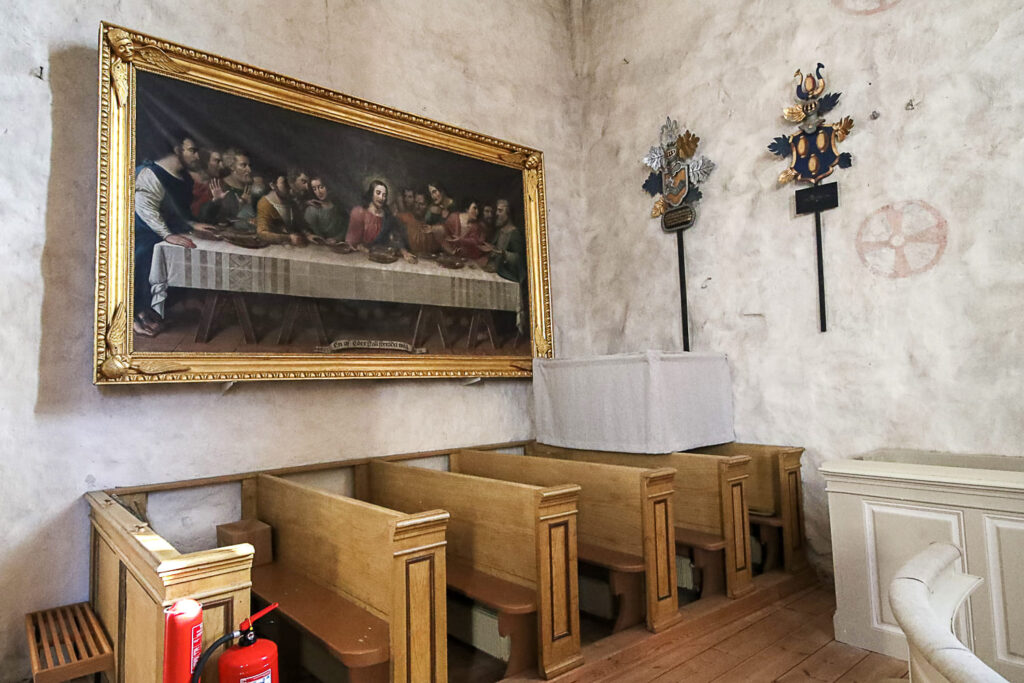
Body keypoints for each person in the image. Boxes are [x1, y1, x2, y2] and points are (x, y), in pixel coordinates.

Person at [133, 130, 216, 336]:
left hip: (162, 230)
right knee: (145, 255)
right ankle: (136, 314)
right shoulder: (151, 172)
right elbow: (144, 207)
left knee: (188, 250)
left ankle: (155, 309)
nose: (197, 156)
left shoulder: (184, 178)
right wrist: (167, 234)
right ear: (178, 150)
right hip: (141, 230)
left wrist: (192, 225)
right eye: (192, 151)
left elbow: (174, 212)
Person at [346, 179, 416, 263]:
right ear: (371, 193)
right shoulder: (359, 212)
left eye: (384, 195)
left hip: (382, 256)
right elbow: (352, 241)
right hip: (360, 259)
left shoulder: (387, 215)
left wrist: (404, 252)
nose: (381, 198)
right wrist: (361, 248)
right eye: (378, 193)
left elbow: (395, 236)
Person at [198, 147, 255, 231]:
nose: (249, 170)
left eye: (249, 166)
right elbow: (204, 219)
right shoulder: (217, 186)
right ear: (232, 167)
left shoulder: (251, 188)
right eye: (243, 165)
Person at [255, 173, 305, 246]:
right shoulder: (265, 203)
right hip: (274, 246)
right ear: (272, 185)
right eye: (285, 183)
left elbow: (299, 224)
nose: (289, 187)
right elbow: (262, 233)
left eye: (289, 182)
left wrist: (307, 234)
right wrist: (288, 238)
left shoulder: (291, 201)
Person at [487, 199, 527, 283]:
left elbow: (520, 259)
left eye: (500, 211)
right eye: (497, 210)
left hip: (508, 276)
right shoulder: (500, 231)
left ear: (508, 214)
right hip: (497, 273)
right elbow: (495, 249)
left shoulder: (515, 233)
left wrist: (504, 254)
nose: (497, 213)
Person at [303, 175, 346, 243]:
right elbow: (313, 234)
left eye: (321, 187)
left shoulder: (338, 205)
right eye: (314, 189)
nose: (318, 192)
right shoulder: (312, 209)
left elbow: (346, 226)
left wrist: (337, 239)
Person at [396, 190, 440, 256]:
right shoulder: (404, 219)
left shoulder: (434, 226)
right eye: (416, 203)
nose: (417, 206)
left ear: (428, 206)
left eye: (421, 204)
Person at [189, 146, 224, 217]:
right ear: (205, 162)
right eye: (217, 161)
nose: (221, 166)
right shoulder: (187, 181)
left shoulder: (219, 183)